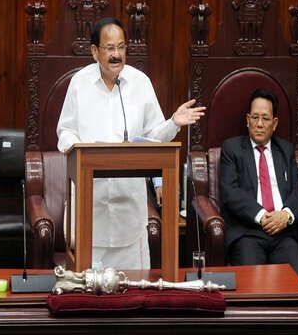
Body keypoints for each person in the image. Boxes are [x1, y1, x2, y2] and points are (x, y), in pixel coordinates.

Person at [57, 17, 205, 270]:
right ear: (94, 51)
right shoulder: (79, 84)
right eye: (109, 48)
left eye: (121, 47)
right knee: (89, 291)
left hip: (129, 217)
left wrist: (173, 122)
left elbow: (153, 136)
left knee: (136, 289)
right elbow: (65, 130)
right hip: (90, 216)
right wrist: (80, 152)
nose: (117, 55)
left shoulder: (140, 83)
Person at [219, 89, 298, 284]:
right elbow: (230, 191)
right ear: (247, 120)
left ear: (274, 123)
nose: (259, 124)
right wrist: (262, 216)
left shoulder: (285, 150)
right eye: (255, 117)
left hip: (283, 233)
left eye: (265, 118)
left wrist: (285, 215)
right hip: (248, 233)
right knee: (253, 284)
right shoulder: (232, 148)